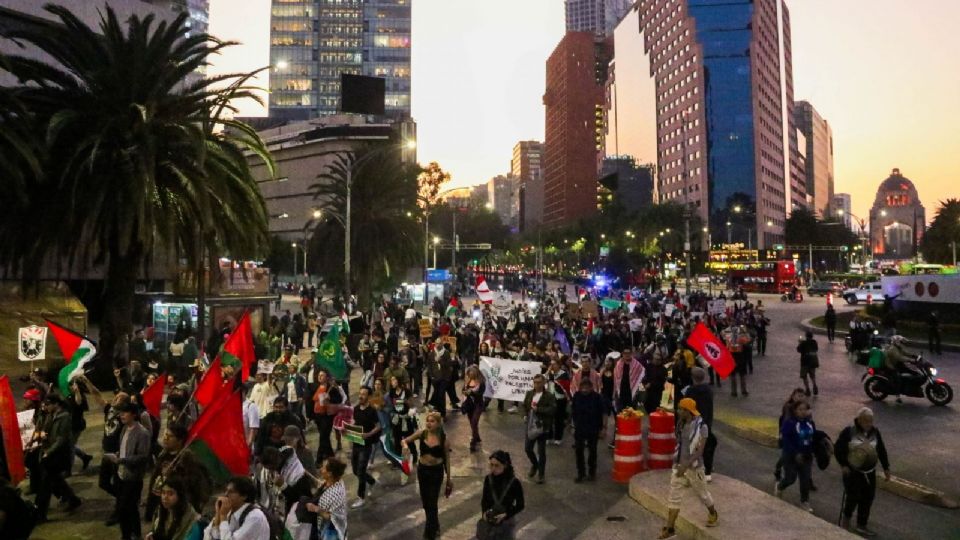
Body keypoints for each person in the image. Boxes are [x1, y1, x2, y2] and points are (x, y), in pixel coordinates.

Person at [658, 398, 718, 540]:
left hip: (694, 468)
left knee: (703, 495)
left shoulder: (702, 427)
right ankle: (670, 529)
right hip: (678, 466)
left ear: (687, 411)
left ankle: (713, 512)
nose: (678, 411)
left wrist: (686, 465)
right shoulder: (682, 422)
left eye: (680, 409)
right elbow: (675, 414)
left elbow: (699, 452)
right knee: (674, 498)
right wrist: (665, 410)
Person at [835, 407, 891, 536]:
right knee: (853, 496)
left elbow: (881, 450)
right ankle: (846, 520)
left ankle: (861, 524)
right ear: (859, 420)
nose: (869, 424)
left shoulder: (875, 432)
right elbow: (839, 449)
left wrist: (886, 467)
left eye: (871, 421)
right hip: (852, 471)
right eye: (866, 421)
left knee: (868, 497)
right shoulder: (849, 432)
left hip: (869, 471)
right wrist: (843, 465)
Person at [401, 411, 452, 540]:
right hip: (423, 471)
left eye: (432, 421)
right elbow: (404, 441)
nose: (429, 423)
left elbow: (447, 459)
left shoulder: (444, 439)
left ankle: (429, 533)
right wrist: (405, 446)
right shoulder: (422, 433)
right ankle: (435, 526)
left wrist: (449, 479)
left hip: (436, 472)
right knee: (426, 503)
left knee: (432, 502)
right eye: (427, 420)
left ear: (438, 423)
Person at [33, 393, 82, 522]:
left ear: (56, 404)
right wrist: (41, 415)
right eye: (45, 405)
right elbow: (42, 428)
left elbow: (61, 439)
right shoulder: (50, 415)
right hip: (50, 452)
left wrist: (48, 451)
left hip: (58, 454)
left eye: (48, 404)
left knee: (46, 484)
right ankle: (73, 500)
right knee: (55, 479)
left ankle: (40, 513)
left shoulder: (64, 417)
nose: (46, 407)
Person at [107, 401, 152, 540]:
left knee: (124, 508)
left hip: (133, 477)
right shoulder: (124, 429)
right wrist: (118, 455)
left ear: (134, 414)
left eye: (124, 412)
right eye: (120, 413)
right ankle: (133, 534)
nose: (121, 415)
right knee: (130, 509)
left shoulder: (142, 433)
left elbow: (143, 457)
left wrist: (122, 460)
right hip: (121, 474)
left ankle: (128, 535)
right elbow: (124, 448)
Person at [775, 400, 816, 512]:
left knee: (805, 479)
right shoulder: (790, 423)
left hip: (806, 456)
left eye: (805, 409)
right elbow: (786, 440)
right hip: (791, 456)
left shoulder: (810, 423)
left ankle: (804, 501)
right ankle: (780, 486)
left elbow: (814, 437)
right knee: (790, 478)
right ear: (795, 411)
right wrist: (795, 452)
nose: (803, 412)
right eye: (800, 409)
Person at [477, 450, 525, 540]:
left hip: (506, 522)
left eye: (497, 465)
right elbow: (484, 500)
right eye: (491, 465)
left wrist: (505, 515)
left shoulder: (514, 483)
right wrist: (484, 513)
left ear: (505, 465)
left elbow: (520, 505)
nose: (493, 469)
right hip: (490, 521)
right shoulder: (488, 479)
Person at [203, 476, 270, 539]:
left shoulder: (255, 517)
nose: (226, 495)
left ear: (244, 496)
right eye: (226, 491)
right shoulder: (229, 512)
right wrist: (218, 514)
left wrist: (223, 517)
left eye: (231, 492)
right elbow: (209, 536)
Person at [349, 386, 381, 508]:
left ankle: (360, 497)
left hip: (366, 445)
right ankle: (371, 481)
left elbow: (378, 426)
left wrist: (368, 434)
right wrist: (349, 429)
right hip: (356, 442)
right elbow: (355, 422)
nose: (360, 396)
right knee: (355, 470)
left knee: (361, 470)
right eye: (360, 393)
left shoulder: (372, 411)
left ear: (368, 397)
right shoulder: (356, 409)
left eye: (363, 394)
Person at [683, 368, 716, 481]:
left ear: (693, 378)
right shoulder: (709, 390)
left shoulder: (690, 391)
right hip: (706, 422)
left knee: (692, 447)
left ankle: (691, 471)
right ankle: (707, 471)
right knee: (707, 446)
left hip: (694, 423)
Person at [522, 374, 556, 484]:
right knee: (528, 448)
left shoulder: (549, 396)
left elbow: (552, 410)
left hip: (542, 427)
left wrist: (539, 409)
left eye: (539, 382)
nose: (536, 384)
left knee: (541, 452)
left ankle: (541, 474)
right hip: (531, 426)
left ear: (543, 383)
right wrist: (525, 415)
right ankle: (535, 464)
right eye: (535, 382)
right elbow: (525, 406)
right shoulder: (529, 394)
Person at [304, 457, 349, 540]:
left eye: (324, 467)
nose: (321, 469)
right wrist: (308, 475)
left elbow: (332, 517)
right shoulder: (333, 481)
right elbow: (321, 485)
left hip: (331, 533)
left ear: (330, 474)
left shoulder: (336, 494)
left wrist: (315, 509)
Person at [570, 379, 605, 482]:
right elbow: (573, 412)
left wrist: (603, 428)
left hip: (593, 428)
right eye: (582, 388)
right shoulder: (576, 396)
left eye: (587, 388)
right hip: (579, 428)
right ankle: (581, 473)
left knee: (592, 451)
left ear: (591, 388)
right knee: (579, 451)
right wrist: (572, 426)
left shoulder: (597, 397)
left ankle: (592, 473)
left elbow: (603, 413)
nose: (584, 390)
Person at [462, 365, 486, 453]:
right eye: (469, 375)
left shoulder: (482, 383)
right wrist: (465, 392)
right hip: (469, 405)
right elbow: (463, 390)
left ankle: (473, 441)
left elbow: (480, 394)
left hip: (478, 404)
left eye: (471, 375)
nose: (469, 376)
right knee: (472, 423)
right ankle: (477, 437)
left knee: (474, 421)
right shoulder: (468, 381)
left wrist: (471, 392)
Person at [884, 335, 914, 403]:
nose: (902, 343)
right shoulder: (892, 349)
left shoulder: (898, 347)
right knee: (898, 379)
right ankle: (898, 396)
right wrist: (910, 360)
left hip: (896, 364)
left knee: (910, 370)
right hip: (890, 366)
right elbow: (899, 358)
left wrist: (914, 356)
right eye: (901, 342)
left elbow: (905, 353)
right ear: (897, 342)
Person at [796, 331, 820, 396]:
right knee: (812, 375)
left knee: (804, 376)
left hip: (805, 362)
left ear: (806, 336)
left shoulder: (803, 343)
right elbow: (816, 349)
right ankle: (814, 385)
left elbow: (798, 350)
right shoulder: (814, 342)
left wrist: (800, 343)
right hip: (813, 361)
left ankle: (807, 389)